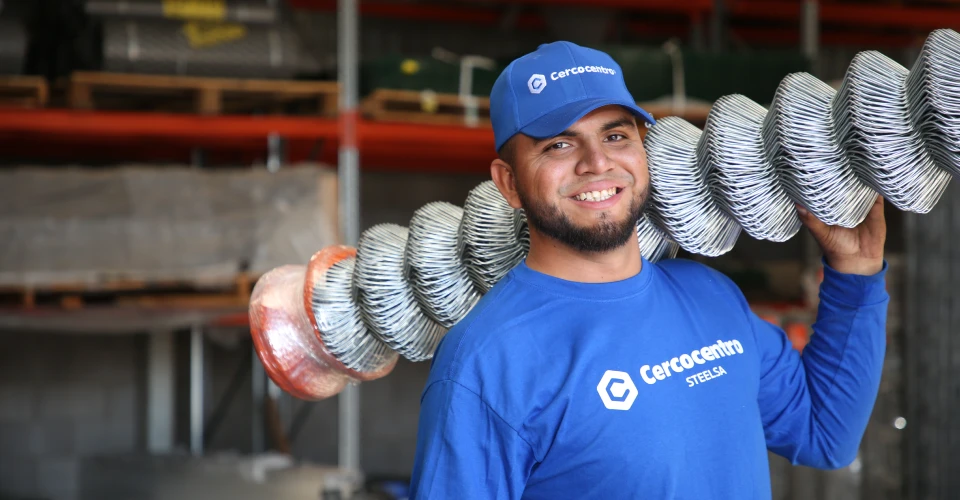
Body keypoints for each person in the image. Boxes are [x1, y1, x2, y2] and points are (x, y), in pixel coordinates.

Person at [408, 41, 888, 499]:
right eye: (558, 145)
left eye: (616, 136)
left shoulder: (710, 296)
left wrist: (856, 272)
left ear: (643, 149)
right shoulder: (487, 361)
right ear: (508, 183)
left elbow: (825, 434)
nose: (597, 163)